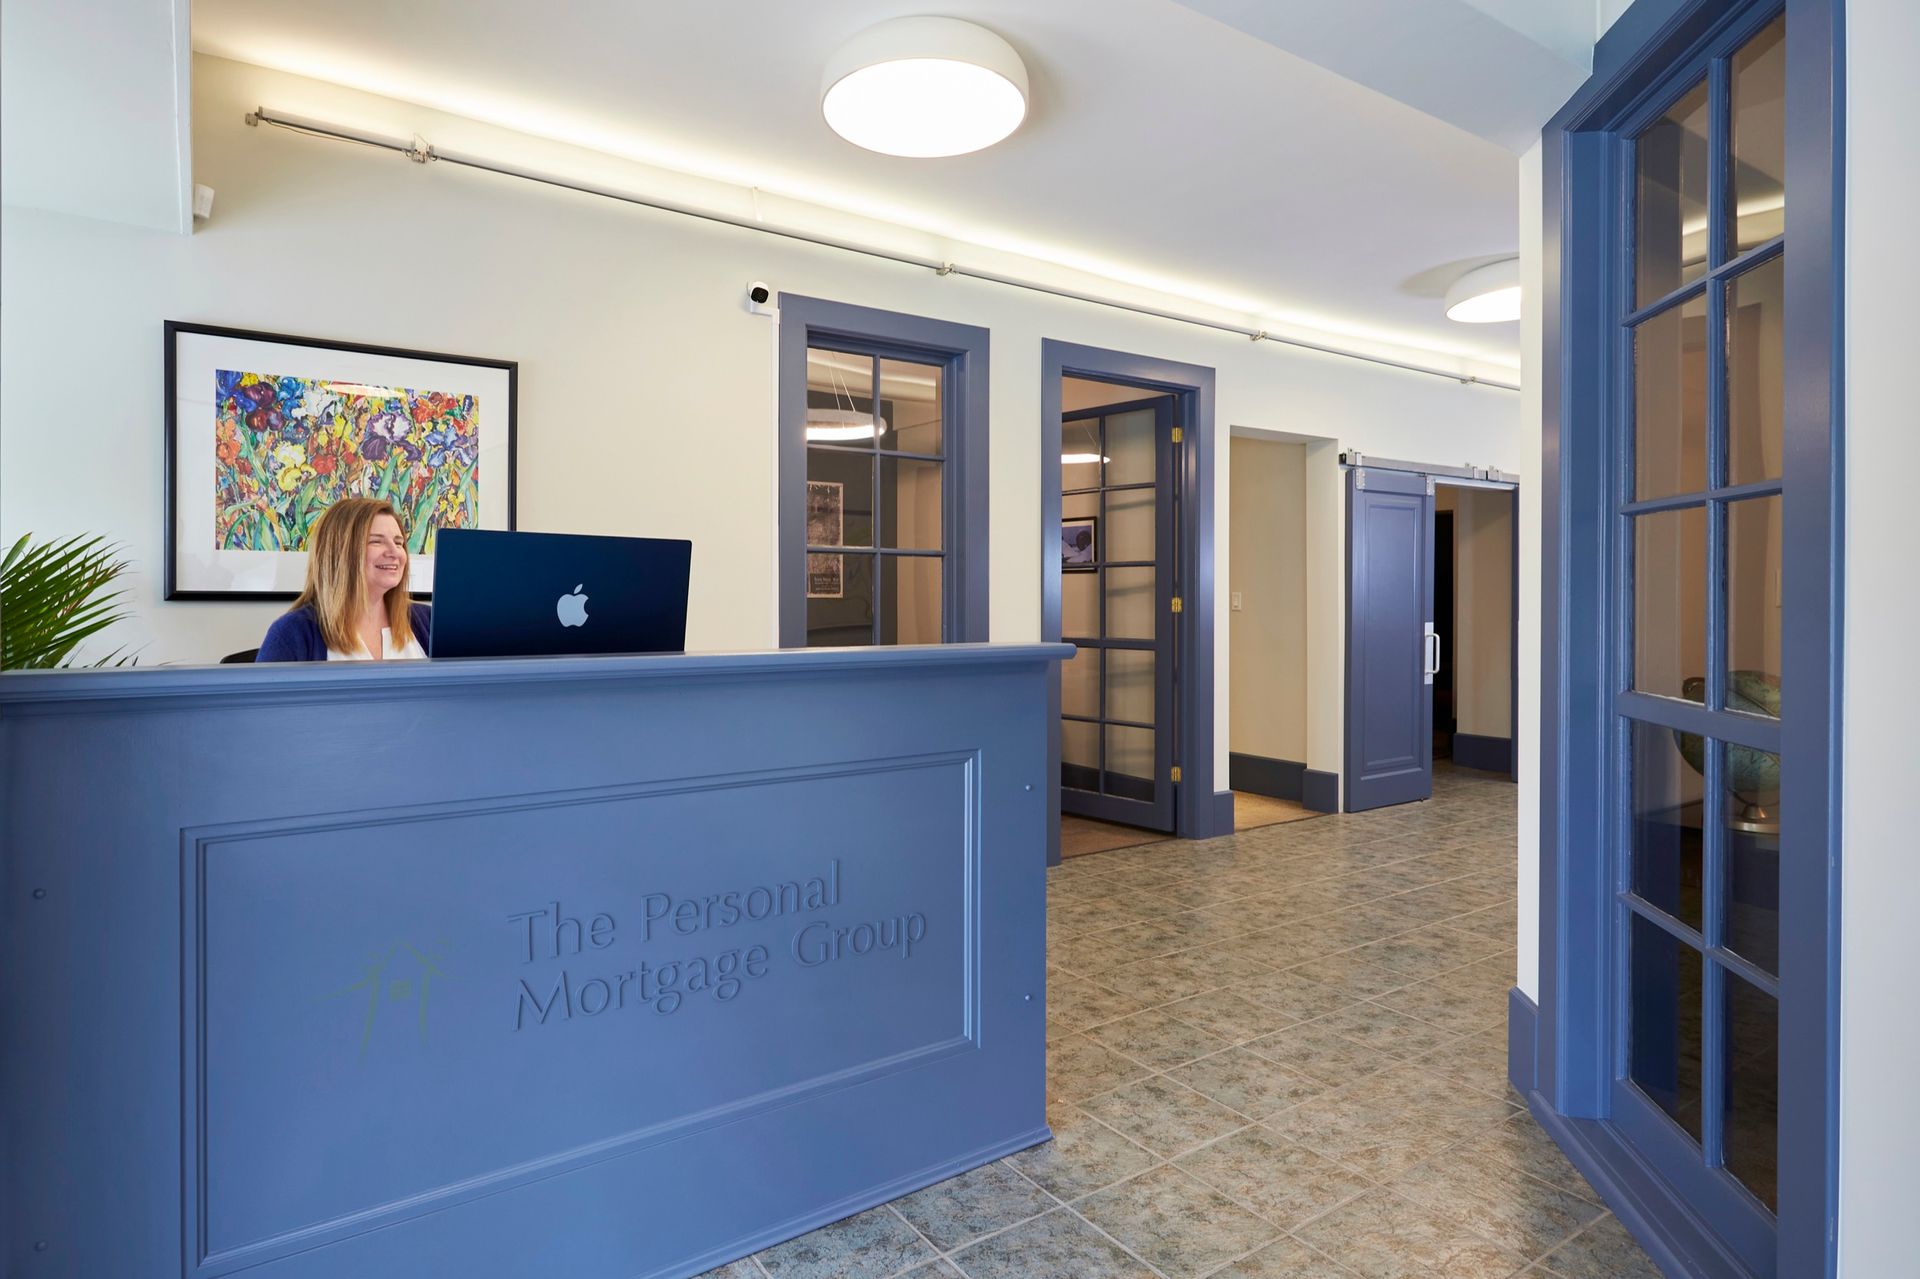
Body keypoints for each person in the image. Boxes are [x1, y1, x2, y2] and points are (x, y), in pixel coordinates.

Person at [256, 497, 432, 661]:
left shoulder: (427, 621)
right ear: (340, 552)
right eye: (376, 542)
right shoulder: (292, 633)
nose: (394, 553)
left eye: (399, 543)